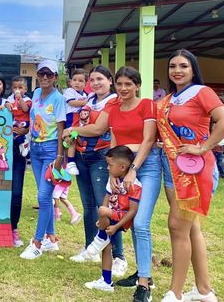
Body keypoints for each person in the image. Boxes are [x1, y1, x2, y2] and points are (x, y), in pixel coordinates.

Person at [64, 66, 159, 302]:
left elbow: (148, 140)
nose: (124, 88)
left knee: (140, 222)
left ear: (137, 85)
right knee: (123, 218)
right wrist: (114, 171)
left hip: (146, 166)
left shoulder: (147, 105)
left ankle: (144, 285)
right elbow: (114, 141)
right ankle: (142, 273)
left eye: (129, 84)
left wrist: (132, 169)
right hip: (123, 166)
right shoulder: (113, 108)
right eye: (120, 84)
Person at [157, 49, 224, 302]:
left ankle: (175, 293)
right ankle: (204, 290)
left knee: (177, 227)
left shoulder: (202, 92)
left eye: (183, 66)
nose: (177, 70)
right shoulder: (169, 99)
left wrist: (203, 147)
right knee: (191, 229)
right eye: (173, 66)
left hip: (195, 171)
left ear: (193, 69)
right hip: (173, 168)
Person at [65, 65, 126, 276]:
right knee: (89, 206)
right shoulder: (89, 100)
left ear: (110, 81)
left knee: (106, 207)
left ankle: (119, 257)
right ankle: (89, 247)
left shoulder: (113, 101)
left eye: (100, 79)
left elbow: (99, 128)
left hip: (102, 157)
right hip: (82, 156)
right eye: (92, 80)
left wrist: (72, 130)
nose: (96, 83)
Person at [20, 60, 66, 260]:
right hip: (36, 149)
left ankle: (37, 242)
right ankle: (51, 238)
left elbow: (61, 130)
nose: (45, 77)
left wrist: (59, 156)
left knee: (43, 196)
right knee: (44, 196)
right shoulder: (36, 93)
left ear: (55, 77)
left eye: (49, 74)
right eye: (42, 74)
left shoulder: (59, 99)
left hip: (50, 150)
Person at [85, 146, 141, 293]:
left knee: (103, 213)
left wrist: (116, 226)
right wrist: (102, 218)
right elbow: (106, 199)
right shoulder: (113, 181)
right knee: (107, 246)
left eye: (110, 165)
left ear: (122, 167)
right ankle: (106, 281)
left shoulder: (134, 185)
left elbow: (133, 210)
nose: (107, 168)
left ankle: (99, 238)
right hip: (111, 216)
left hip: (123, 218)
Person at [3, 76, 31, 247]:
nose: (17, 90)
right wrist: (6, 105)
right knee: (0, 190)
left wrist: (19, 98)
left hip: (19, 144)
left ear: (26, 89)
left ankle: (13, 228)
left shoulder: (26, 100)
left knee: (16, 192)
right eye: (15, 87)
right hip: (3, 147)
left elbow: (25, 109)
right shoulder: (8, 99)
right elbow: (6, 108)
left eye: (20, 87)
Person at [63, 69, 88, 175]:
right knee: (72, 139)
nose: (77, 83)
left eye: (81, 81)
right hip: (72, 117)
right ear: (70, 82)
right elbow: (72, 102)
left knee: (79, 138)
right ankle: (70, 162)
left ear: (86, 83)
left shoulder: (86, 94)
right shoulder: (69, 91)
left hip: (81, 119)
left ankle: (73, 160)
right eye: (75, 80)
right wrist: (85, 102)